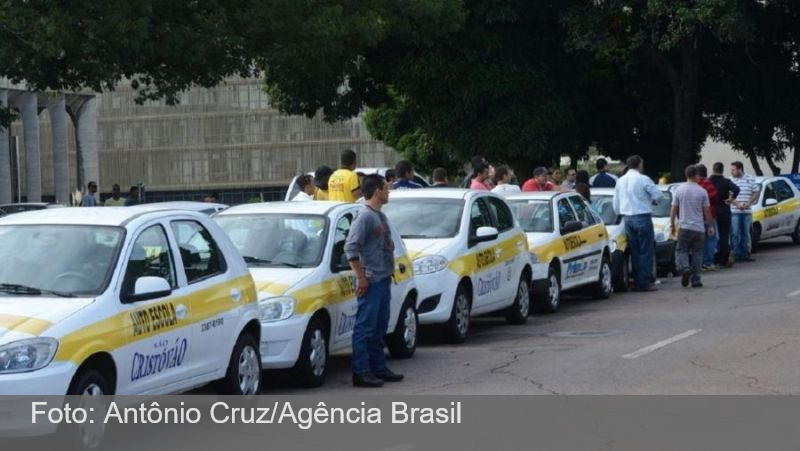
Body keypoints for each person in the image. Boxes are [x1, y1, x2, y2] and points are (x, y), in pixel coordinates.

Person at [344, 174, 403, 388]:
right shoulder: (365, 217)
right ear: (377, 191)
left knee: (379, 327)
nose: (388, 192)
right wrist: (361, 277)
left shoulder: (380, 216)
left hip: (383, 278)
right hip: (371, 281)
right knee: (365, 328)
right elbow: (351, 248)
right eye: (385, 188)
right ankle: (361, 372)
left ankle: (378, 367)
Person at [613, 155, 664, 292]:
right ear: (639, 164)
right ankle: (644, 282)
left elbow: (616, 204)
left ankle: (636, 282)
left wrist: (620, 212)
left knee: (634, 251)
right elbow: (659, 195)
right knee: (646, 251)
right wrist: (652, 201)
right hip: (642, 216)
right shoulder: (643, 179)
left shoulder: (621, 181)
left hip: (627, 218)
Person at [671, 165, 715, 288]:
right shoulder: (702, 191)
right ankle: (696, 280)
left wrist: (672, 224)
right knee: (698, 253)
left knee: (681, 250)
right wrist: (710, 226)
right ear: (696, 176)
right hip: (699, 228)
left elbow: (674, 208)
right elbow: (707, 211)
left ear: (686, 175)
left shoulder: (679, 190)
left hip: (684, 227)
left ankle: (685, 268)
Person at [709, 162, 740, 267]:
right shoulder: (726, 181)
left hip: (712, 209)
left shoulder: (709, 181)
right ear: (722, 170)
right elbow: (736, 189)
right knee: (724, 235)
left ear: (713, 170)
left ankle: (712, 259)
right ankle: (723, 259)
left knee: (712, 236)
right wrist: (732, 199)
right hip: (724, 209)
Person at [729, 161, 760, 263]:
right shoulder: (730, 180)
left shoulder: (750, 178)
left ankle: (745, 254)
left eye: (733, 169)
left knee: (746, 233)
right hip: (734, 211)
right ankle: (735, 254)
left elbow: (755, 192)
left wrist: (748, 203)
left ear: (740, 169)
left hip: (747, 211)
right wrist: (737, 204)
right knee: (734, 233)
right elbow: (728, 196)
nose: (731, 171)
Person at [694, 164, 719, 271]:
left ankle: (699, 263)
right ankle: (708, 262)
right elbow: (714, 198)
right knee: (712, 238)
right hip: (709, 216)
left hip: (696, 217)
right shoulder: (707, 184)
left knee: (701, 241)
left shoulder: (693, 185)